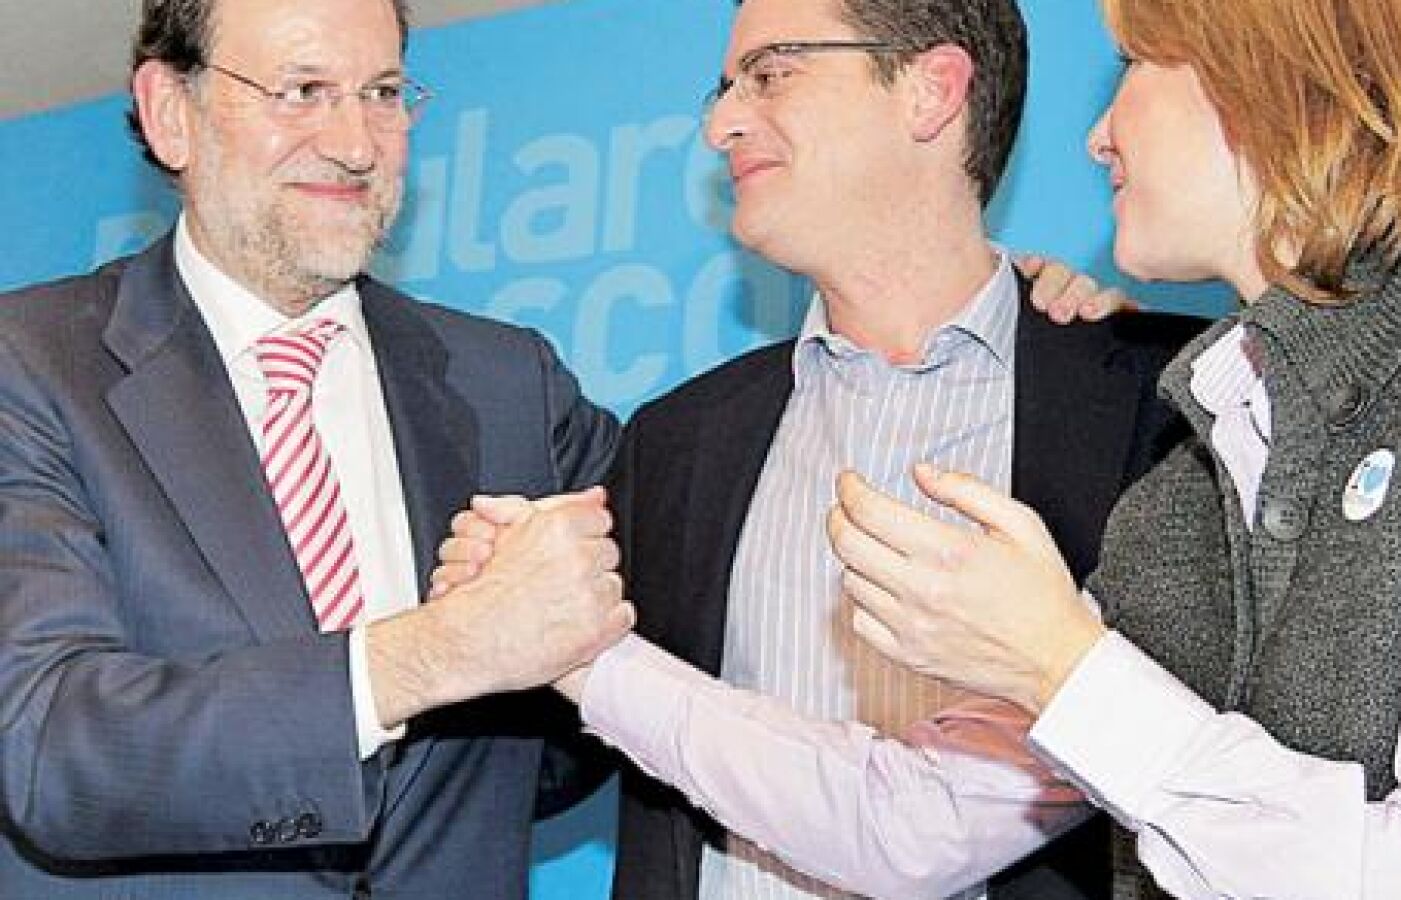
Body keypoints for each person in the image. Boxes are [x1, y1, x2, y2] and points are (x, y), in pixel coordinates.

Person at [827, 0, 1401, 895]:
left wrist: (1058, 665)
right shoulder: (1178, 491)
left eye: (1135, 65)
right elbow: (919, 817)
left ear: (1283, 71)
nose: (1097, 138)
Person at [437, 0, 1205, 897]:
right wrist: (483, 619)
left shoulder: (1166, 412)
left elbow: (923, 827)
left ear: (930, 90)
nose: (720, 124)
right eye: (725, 88)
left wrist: (576, 649)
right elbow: (541, 764)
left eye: (771, 74)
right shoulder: (676, 442)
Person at [0, 0, 635, 896]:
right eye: (303, 91)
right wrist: (430, 653)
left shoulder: (511, 385)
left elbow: (597, 702)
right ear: (170, 112)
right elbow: (51, 747)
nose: (355, 144)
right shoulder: (28, 366)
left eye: (382, 93)